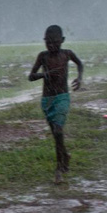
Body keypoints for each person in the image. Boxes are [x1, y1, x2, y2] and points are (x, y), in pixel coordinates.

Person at [29, 24, 84, 183]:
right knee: (56, 134)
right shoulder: (43, 56)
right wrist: (44, 75)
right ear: (44, 41)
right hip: (47, 100)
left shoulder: (67, 54)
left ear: (63, 40)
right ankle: (65, 156)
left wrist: (79, 78)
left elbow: (79, 63)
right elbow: (31, 76)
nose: (52, 46)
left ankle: (59, 167)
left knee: (58, 131)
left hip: (61, 97)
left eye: (55, 42)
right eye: (48, 42)